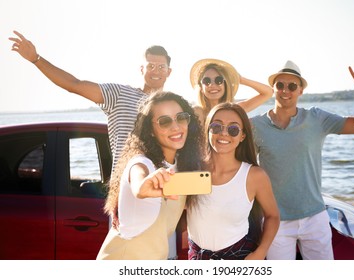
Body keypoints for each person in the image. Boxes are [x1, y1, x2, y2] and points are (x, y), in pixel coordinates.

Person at [9, 30, 172, 229]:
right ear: (141, 69)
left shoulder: (175, 108)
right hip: (127, 194)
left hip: (166, 194)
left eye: (161, 67)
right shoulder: (119, 95)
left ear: (168, 71)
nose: (155, 71)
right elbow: (74, 85)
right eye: (151, 66)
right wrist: (36, 59)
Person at [251, 60, 354, 260]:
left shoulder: (317, 118)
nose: (285, 90)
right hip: (275, 220)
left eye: (292, 86)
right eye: (280, 85)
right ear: (273, 89)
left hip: (315, 217)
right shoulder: (256, 126)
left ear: (300, 90)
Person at [97, 91, 204, 259]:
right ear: (151, 130)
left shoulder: (180, 166)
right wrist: (143, 187)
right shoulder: (142, 163)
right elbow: (139, 182)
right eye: (164, 121)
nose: (176, 127)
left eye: (181, 117)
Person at [186, 102, 280, 260]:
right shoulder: (192, 170)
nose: (224, 133)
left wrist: (261, 252)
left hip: (239, 257)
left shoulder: (254, 176)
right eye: (216, 126)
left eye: (233, 129)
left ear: (243, 136)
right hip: (197, 258)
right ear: (207, 129)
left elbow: (273, 216)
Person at [189, 58, 273, 124]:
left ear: (226, 85)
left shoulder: (235, 109)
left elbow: (268, 92)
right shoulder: (197, 112)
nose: (212, 85)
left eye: (219, 80)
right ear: (201, 88)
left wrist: (241, 79)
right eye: (206, 81)